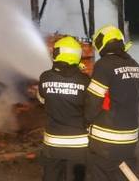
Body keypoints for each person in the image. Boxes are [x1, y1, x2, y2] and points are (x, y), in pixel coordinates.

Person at [85, 25, 139, 180]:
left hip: (106, 141)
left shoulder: (104, 65)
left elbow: (92, 102)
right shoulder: (135, 65)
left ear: (102, 43)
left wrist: (85, 121)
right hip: (130, 139)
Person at [38, 35, 90, 181]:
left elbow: (42, 99)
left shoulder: (45, 77)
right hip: (79, 143)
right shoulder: (85, 81)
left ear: (57, 54)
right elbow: (91, 107)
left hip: (53, 143)